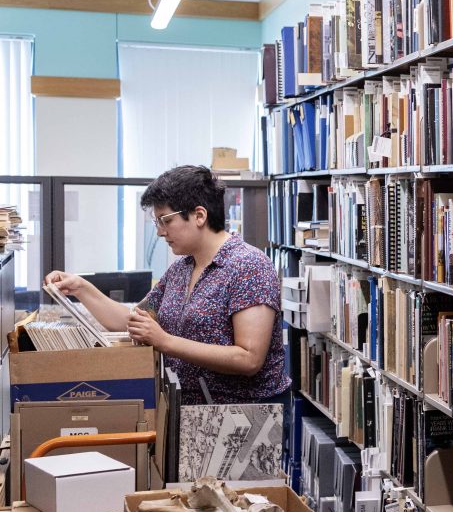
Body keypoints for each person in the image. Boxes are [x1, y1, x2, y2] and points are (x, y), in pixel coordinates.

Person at [45, 165, 290, 407]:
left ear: (199, 216)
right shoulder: (182, 268)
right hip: (191, 414)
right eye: (157, 222)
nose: (161, 232)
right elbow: (132, 321)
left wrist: (165, 341)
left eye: (166, 221)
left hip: (243, 419)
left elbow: (249, 358)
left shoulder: (248, 266)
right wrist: (80, 288)